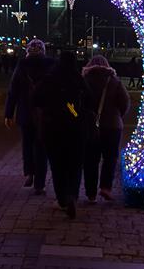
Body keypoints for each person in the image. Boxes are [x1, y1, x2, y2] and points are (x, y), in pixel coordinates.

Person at [33, 51, 91, 219]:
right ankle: (73, 194)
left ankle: (62, 199)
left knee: (57, 165)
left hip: (53, 127)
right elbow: (90, 101)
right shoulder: (79, 80)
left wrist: (50, 107)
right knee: (75, 164)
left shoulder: (49, 78)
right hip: (76, 128)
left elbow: (36, 98)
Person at [4, 38, 54, 193]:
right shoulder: (51, 65)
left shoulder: (22, 66)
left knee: (27, 144)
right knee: (42, 148)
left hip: (25, 112)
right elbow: (59, 91)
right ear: (43, 51)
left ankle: (29, 173)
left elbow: (13, 91)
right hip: (45, 114)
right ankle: (40, 184)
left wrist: (8, 113)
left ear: (28, 51)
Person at [82, 55, 130, 202]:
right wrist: (117, 116)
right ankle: (105, 188)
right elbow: (125, 103)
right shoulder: (114, 82)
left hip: (90, 127)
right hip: (112, 127)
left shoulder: (84, 81)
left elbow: (77, 104)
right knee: (110, 158)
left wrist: (79, 117)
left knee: (90, 160)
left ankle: (90, 194)